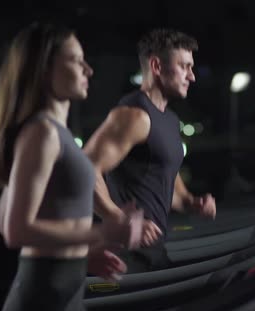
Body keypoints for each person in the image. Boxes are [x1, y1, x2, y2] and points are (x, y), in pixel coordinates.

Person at [0, 22, 144, 311]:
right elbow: (16, 230)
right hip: (41, 310)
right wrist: (102, 234)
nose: (88, 70)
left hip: (65, 300)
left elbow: (2, 218)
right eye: (77, 60)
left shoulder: (53, 133)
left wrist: (81, 254)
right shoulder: (41, 134)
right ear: (45, 69)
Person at [84, 28, 217, 273]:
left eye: (192, 67)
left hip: (153, 251)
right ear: (156, 66)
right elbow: (84, 169)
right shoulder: (133, 116)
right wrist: (119, 218)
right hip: (121, 256)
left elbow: (163, 180)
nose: (192, 76)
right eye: (184, 67)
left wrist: (191, 202)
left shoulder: (170, 119)